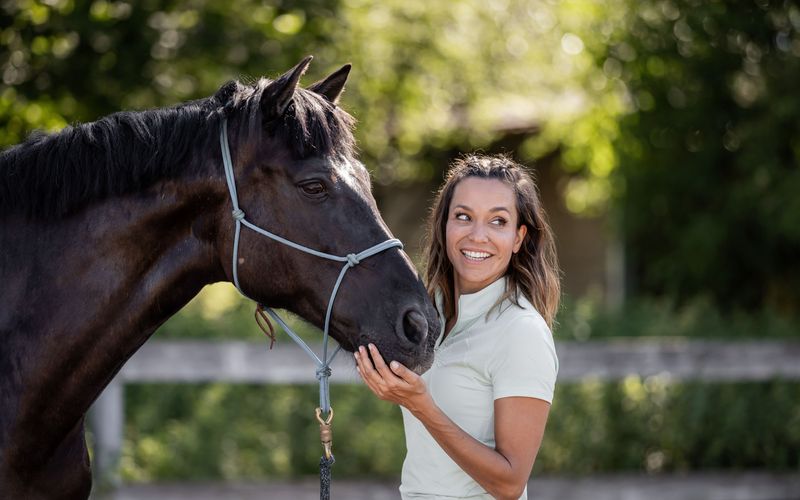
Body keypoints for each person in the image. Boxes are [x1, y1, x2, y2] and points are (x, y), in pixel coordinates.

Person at [354, 154, 560, 500]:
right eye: (463, 217)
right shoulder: (428, 316)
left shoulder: (521, 331)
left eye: (498, 222)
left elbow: (510, 483)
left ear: (518, 238)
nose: (477, 235)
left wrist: (423, 407)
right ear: (444, 225)